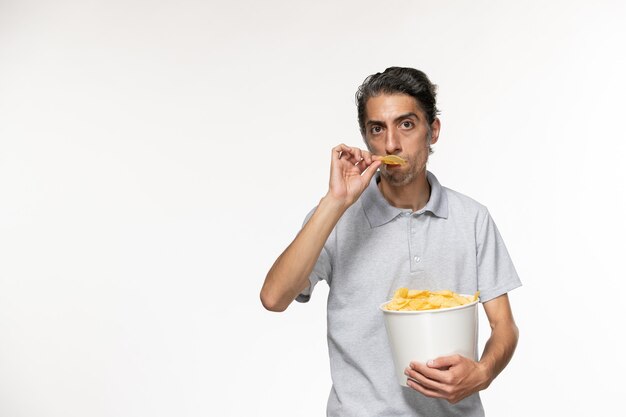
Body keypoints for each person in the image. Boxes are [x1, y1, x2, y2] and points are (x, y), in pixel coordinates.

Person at [260, 67, 521, 417]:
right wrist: (334, 203)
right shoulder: (336, 217)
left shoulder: (472, 218)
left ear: (434, 131)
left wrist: (483, 372)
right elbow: (274, 298)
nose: (391, 144)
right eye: (377, 129)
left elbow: (504, 325)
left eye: (407, 124)